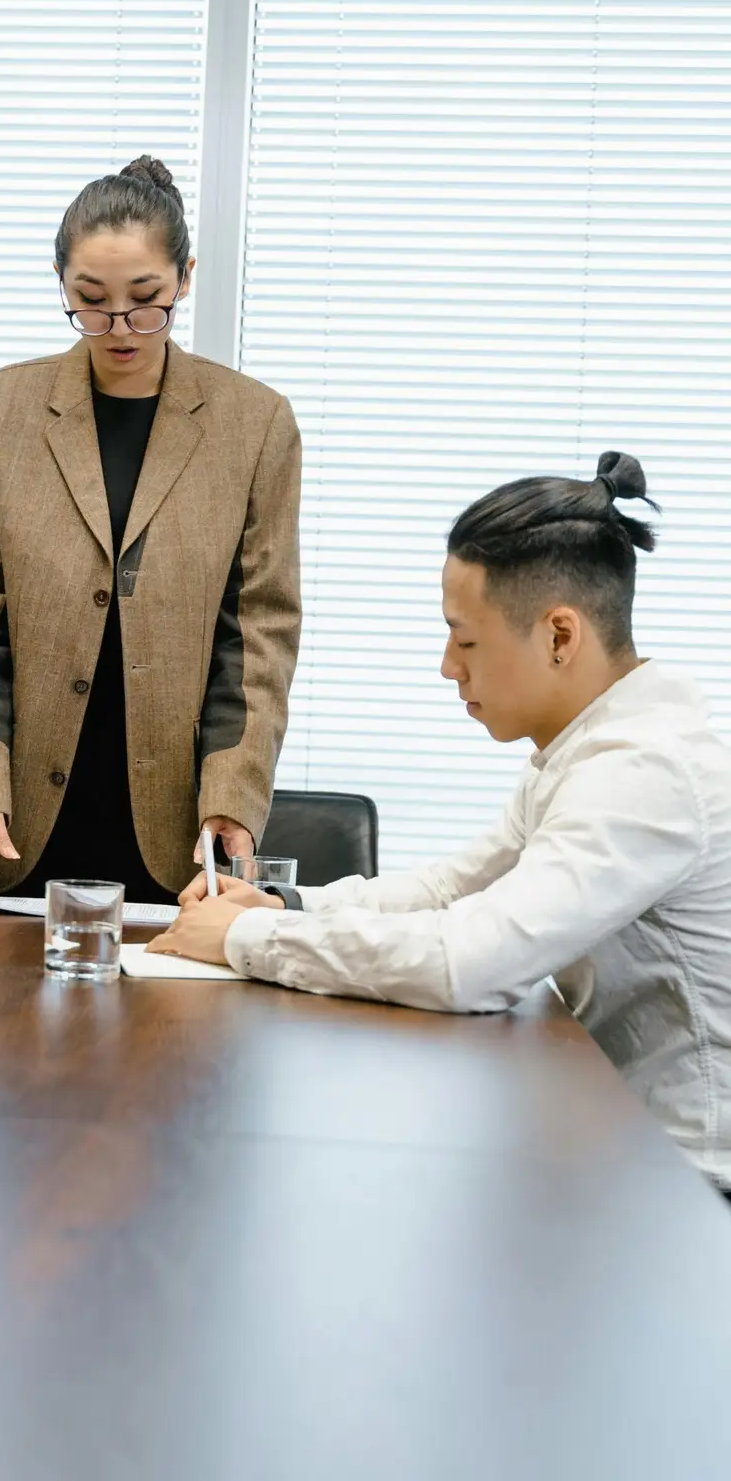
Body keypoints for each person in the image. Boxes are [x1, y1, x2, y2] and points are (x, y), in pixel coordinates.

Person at [149, 452, 731, 1193]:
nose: (447, 667)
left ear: (560, 635)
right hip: (608, 1135)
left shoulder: (645, 774)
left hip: (688, 1188)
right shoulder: (587, 752)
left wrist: (245, 938)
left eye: (466, 640)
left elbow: (472, 965)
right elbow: (456, 889)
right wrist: (286, 905)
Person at [0, 155, 302, 904]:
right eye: (90, 302)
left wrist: (235, 792)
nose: (120, 327)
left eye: (147, 300)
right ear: (60, 283)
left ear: (185, 277)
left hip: (177, 825)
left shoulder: (254, 424)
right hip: (14, 817)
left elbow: (258, 632)